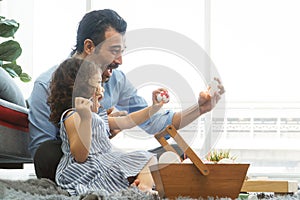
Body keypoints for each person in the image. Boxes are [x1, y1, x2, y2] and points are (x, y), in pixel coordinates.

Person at [28, 9, 225, 182]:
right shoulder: (46, 84)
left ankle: (130, 179)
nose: (120, 60)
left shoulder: (117, 79)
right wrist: (94, 130)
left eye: (122, 51)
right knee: (47, 153)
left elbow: (154, 123)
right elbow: (42, 153)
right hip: (73, 165)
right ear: (89, 47)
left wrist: (200, 108)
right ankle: (129, 179)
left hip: (106, 161)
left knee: (175, 150)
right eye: (114, 51)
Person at [48, 57, 165, 195]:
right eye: (98, 83)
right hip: (85, 169)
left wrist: (153, 108)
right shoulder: (73, 115)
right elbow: (80, 156)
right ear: (82, 88)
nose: (102, 89)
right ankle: (133, 191)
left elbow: (127, 121)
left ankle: (142, 189)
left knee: (148, 158)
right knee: (145, 161)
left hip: (106, 161)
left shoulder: (98, 116)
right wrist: (85, 119)